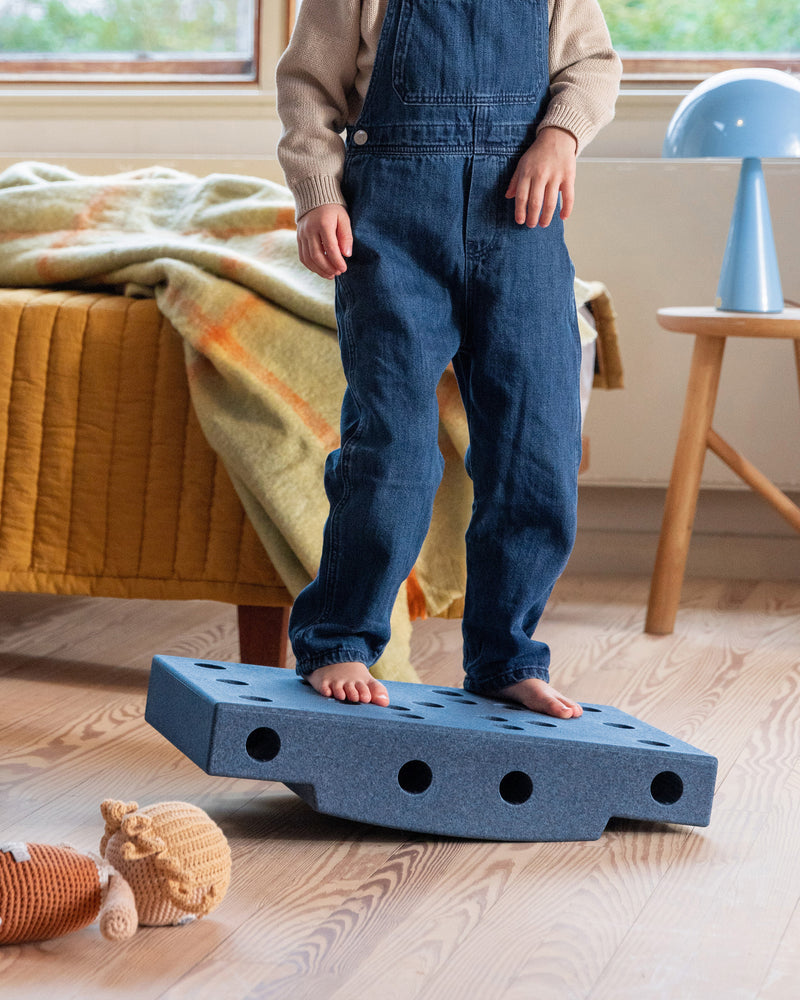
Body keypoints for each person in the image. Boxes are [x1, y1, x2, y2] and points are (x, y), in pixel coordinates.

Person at [276, 0, 621, 718]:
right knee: (392, 451)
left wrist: (560, 136)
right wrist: (317, 196)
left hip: (520, 227)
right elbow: (310, 85)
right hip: (392, 233)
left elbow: (591, 65)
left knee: (537, 453)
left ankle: (505, 656)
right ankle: (338, 637)